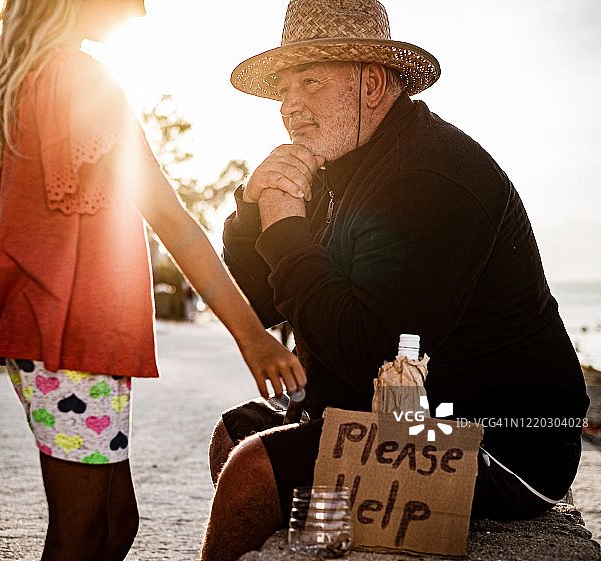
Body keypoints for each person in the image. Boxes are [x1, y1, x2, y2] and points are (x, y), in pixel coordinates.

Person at [201, 0, 590, 559]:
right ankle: (322, 544)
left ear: (374, 83)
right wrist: (252, 211)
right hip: (388, 403)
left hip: (503, 441)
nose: (290, 107)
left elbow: (370, 353)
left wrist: (286, 230)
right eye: (284, 90)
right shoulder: (337, 161)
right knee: (236, 433)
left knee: (251, 469)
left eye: (310, 82)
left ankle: (324, 534)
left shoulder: (429, 178)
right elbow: (264, 305)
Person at [0, 2, 306, 560]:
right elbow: (170, 218)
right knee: (83, 535)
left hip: (48, 337)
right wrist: (252, 336)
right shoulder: (80, 78)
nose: (141, 12)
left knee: (117, 522)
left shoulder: (19, 78)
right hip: (70, 337)